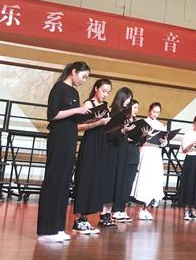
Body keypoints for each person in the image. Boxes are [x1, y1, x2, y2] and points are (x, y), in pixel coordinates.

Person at [37, 61, 91, 242]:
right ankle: (47, 230)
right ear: (73, 72)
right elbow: (53, 115)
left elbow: (74, 119)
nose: (84, 80)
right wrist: (78, 109)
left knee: (64, 182)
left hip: (70, 138)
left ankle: (58, 227)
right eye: (83, 76)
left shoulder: (74, 92)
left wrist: (91, 116)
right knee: (54, 180)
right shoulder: (59, 88)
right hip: (59, 137)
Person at [71, 78, 112, 234]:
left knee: (95, 180)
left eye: (108, 92)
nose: (105, 94)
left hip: (102, 143)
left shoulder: (105, 107)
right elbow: (78, 126)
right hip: (91, 142)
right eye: (103, 91)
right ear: (96, 88)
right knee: (86, 178)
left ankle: (85, 219)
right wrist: (98, 122)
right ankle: (78, 220)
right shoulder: (88, 104)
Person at [98, 86, 133, 228]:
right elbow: (108, 133)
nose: (128, 102)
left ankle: (109, 213)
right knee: (109, 181)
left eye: (130, 99)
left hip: (122, 149)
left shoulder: (126, 115)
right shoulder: (111, 112)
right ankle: (103, 215)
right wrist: (122, 130)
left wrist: (130, 130)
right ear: (121, 97)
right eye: (127, 99)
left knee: (117, 182)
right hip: (112, 150)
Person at [113, 99, 151, 222]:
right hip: (124, 153)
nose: (136, 110)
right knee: (121, 182)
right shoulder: (123, 121)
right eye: (134, 107)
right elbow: (120, 137)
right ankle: (116, 209)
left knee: (129, 183)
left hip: (134, 154)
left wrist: (143, 135)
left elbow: (139, 142)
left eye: (137, 108)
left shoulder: (136, 122)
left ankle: (122, 209)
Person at [131, 102, 167, 220]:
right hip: (146, 151)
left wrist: (164, 141)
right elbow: (137, 139)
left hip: (155, 153)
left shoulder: (160, 125)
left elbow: (164, 143)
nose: (155, 114)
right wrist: (144, 135)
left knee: (153, 180)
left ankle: (148, 209)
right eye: (154, 111)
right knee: (144, 179)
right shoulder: (144, 123)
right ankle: (141, 208)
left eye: (158, 112)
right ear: (149, 111)